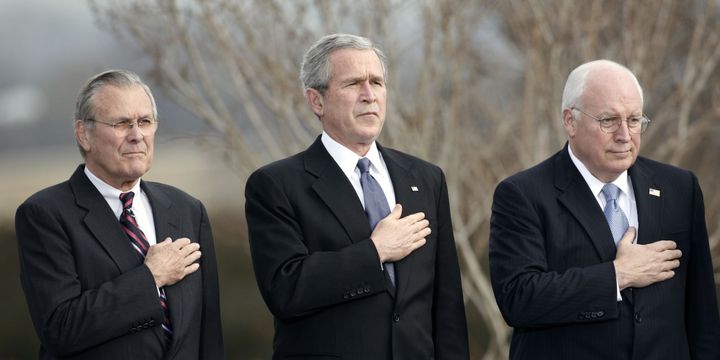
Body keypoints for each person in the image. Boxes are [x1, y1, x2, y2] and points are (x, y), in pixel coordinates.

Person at [245, 33, 469, 360]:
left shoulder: (425, 177)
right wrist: (375, 251)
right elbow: (285, 290)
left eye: (377, 82)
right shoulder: (276, 184)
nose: (369, 95)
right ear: (316, 101)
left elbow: (446, 302)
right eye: (353, 84)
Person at [489, 59, 720, 359]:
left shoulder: (680, 188)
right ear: (570, 121)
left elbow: (702, 315)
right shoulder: (522, 194)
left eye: (634, 120)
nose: (625, 135)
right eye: (608, 121)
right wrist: (617, 276)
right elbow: (519, 298)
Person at [15, 70, 224, 359]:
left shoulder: (187, 208)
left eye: (145, 122)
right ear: (83, 134)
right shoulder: (45, 214)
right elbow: (60, 329)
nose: (137, 136)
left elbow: (208, 331)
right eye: (122, 123)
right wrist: (151, 278)